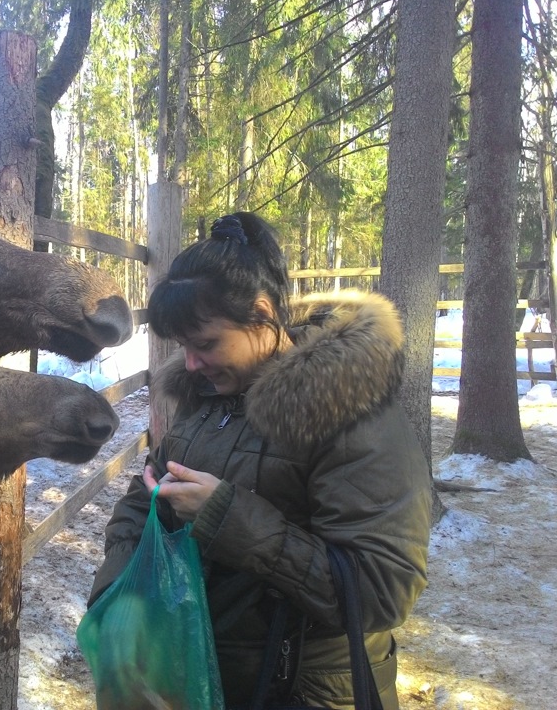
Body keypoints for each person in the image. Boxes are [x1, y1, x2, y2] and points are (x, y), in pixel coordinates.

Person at [87, 212, 432, 709]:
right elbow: (144, 500)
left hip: (305, 691)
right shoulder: (206, 402)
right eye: (183, 346)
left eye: (205, 344)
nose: (190, 364)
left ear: (263, 313)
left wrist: (226, 517)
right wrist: (119, 599)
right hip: (208, 679)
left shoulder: (350, 410)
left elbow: (382, 590)